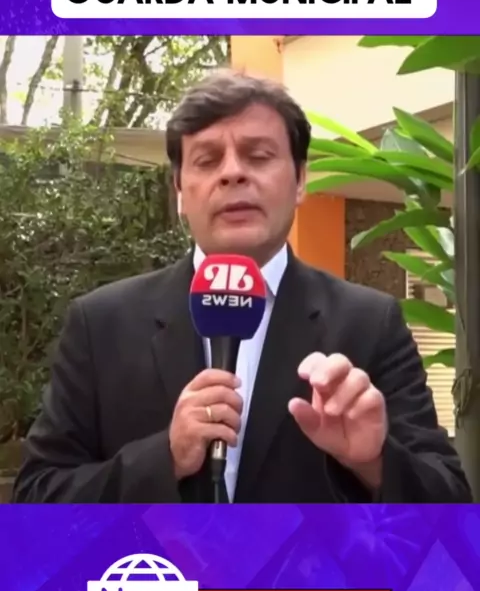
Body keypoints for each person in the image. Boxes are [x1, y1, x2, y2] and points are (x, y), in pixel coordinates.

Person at [12, 70, 472, 504]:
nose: (232, 173)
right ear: (179, 190)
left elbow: (449, 502)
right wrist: (164, 457)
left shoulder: (371, 323)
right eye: (207, 160)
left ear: (300, 180)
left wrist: (374, 462)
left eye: (258, 155)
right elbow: (37, 497)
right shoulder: (101, 324)